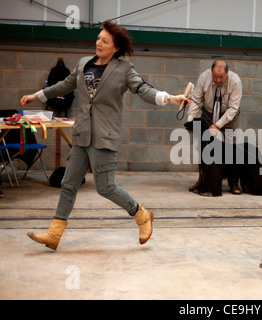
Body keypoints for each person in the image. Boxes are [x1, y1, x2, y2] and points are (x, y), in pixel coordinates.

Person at [20, 20, 189, 251]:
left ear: (115, 47)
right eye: (98, 38)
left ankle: (141, 215)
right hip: (82, 134)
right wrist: (37, 95)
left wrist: (170, 98)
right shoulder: (82, 64)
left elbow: (143, 89)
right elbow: (65, 86)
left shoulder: (124, 69)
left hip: (105, 135)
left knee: (105, 187)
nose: (98, 43)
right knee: (69, 184)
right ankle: (54, 234)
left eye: (104, 41)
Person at [186, 60, 243, 194]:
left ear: (227, 74)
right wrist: (190, 121)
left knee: (231, 148)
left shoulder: (236, 81)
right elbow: (196, 100)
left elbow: (233, 108)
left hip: (229, 115)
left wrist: (217, 125)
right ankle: (204, 180)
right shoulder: (203, 78)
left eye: (221, 77)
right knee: (204, 148)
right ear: (211, 73)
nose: (218, 80)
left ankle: (233, 183)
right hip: (208, 113)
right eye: (215, 77)